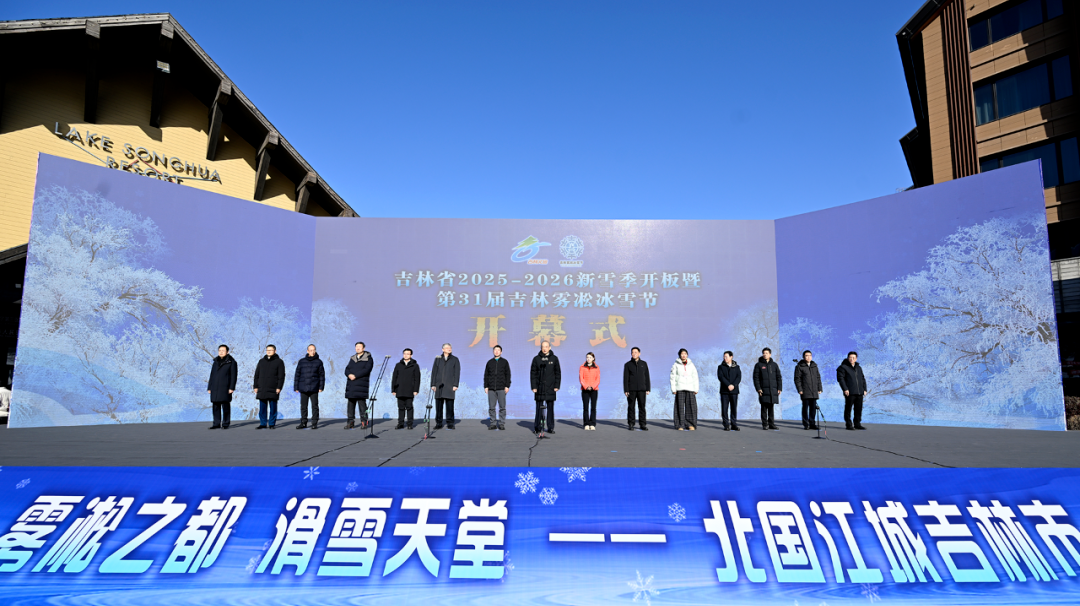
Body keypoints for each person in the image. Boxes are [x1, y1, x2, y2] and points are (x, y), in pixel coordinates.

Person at [530, 341, 561, 434]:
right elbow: (533, 374)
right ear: (541, 348)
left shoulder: (554, 359)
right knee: (539, 408)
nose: (544, 348)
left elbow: (558, 373)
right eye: (543, 347)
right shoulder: (536, 359)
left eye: (546, 346)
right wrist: (534, 386)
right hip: (539, 387)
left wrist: (557, 385)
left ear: (550, 347)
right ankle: (537, 427)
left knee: (550, 408)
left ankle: (550, 427)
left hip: (551, 387)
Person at [253, 344, 286, 429]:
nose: (269, 351)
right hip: (262, 388)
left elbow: (281, 376)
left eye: (271, 350)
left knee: (273, 407)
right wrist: (255, 386)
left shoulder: (279, 362)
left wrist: (279, 387)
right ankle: (263, 423)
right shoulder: (261, 361)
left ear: (275, 351)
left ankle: (271, 424)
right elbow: (256, 375)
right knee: (262, 408)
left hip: (273, 388)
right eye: (267, 350)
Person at [294, 344, 326, 430]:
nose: (312, 352)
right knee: (303, 406)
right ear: (307, 351)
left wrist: (321, 387)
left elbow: (322, 375)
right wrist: (296, 387)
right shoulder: (301, 361)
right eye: (311, 350)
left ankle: (314, 423)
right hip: (303, 387)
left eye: (314, 350)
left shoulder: (319, 362)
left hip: (314, 387)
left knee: (314, 406)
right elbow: (297, 374)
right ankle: (303, 422)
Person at [430, 343, 461, 430]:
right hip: (439, 386)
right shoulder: (438, 359)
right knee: (438, 406)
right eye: (447, 348)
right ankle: (439, 423)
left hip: (450, 386)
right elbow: (434, 372)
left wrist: (455, 384)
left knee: (450, 406)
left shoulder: (455, 359)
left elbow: (457, 373)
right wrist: (433, 384)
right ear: (443, 349)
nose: (449, 349)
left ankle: (450, 423)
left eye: (450, 347)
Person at [206, 344, 237, 429]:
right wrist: (209, 387)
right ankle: (216, 423)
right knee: (215, 406)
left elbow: (234, 376)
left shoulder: (231, 362)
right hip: (215, 387)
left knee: (225, 406)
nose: (221, 352)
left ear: (227, 352)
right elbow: (212, 375)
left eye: (223, 350)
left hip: (225, 387)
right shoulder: (215, 362)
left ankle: (225, 423)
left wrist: (231, 387)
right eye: (219, 350)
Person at [344, 341, 373, 430]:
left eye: (359, 347)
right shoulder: (352, 358)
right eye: (356, 347)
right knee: (350, 405)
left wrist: (355, 375)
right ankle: (350, 422)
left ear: (363, 348)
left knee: (362, 405)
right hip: (351, 385)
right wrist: (349, 374)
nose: (358, 348)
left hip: (361, 385)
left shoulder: (368, 358)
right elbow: (347, 369)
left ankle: (364, 422)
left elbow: (367, 370)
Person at [837, 351, 868, 430]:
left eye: (853, 357)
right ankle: (848, 424)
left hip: (859, 392)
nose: (852, 359)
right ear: (848, 358)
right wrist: (845, 389)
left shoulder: (858, 367)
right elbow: (841, 379)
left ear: (856, 358)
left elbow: (862, 378)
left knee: (858, 409)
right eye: (850, 357)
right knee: (848, 408)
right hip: (849, 392)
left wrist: (864, 389)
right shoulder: (843, 367)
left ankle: (857, 424)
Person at [669, 348, 699, 431]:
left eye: (685, 354)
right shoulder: (676, 365)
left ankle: (690, 424)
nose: (684, 355)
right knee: (679, 407)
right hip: (680, 388)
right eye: (682, 354)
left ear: (687, 355)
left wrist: (696, 388)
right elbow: (672, 377)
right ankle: (680, 425)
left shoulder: (691, 365)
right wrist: (673, 389)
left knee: (691, 407)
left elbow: (695, 377)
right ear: (679, 355)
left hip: (690, 388)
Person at [391, 348, 421, 430]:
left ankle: (410, 424)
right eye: (404, 353)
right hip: (399, 389)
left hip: (410, 390)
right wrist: (393, 389)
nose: (406, 355)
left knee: (409, 407)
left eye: (408, 354)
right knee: (400, 408)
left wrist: (416, 390)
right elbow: (394, 377)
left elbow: (417, 379)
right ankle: (400, 423)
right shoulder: (398, 365)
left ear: (411, 355)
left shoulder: (415, 365)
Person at [752, 347, 781, 430]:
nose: (765, 354)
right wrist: (758, 388)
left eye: (766, 353)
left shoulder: (774, 365)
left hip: (773, 389)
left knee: (771, 407)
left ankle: (771, 424)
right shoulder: (758, 365)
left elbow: (778, 377)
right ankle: (765, 424)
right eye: (763, 353)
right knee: (764, 408)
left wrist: (779, 388)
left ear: (770, 354)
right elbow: (756, 378)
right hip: (763, 390)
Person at [623, 347, 651, 431]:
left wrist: (648, 388)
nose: (634, 354)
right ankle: (631, 424)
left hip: (642, 389)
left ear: (639, 353)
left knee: (642, 407)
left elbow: (647, 376)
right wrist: (626, 390)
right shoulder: (628, 364)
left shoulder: (644, 364)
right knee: (631, 407)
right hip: (631, 389)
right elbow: (625, 378)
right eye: (632, 352)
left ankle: (643, 424)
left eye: (635, 352)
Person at [794, 350, 823, 430]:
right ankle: (806, 424)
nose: (808, 357)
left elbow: (818, 377)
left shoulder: (814, 366)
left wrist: (819, 388)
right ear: (803, 357)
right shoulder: (799, 366)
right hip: (805, 390)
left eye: (810, 355)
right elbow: (797, 379)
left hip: (814, 391)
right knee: (805, 408)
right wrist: (800, 389)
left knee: (813, 408)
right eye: (806, 355)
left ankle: (812, 423)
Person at [484, 345, 511, 430]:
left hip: (501, 388)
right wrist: (486, 386)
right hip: (491, 388)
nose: (496, 351)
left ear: (501, 352)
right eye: (495, 350)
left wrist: (507, 386)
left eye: (498, 350)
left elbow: (508, 375)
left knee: (502, 407)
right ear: (493, 351)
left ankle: (501, 423)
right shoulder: (489, 362)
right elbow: (486, 375)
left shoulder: (505, 362)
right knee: (492, 407)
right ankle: (493, 423)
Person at [717, 351, 741, 431]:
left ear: (731, 357)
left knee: (734, 408)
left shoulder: (737, 367)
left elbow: (739, 377)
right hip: (724, 391)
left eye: (726, 356)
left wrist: (733, 385)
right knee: (724, 409)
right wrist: (728, 385)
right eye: (724, 357)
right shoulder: (721, 367)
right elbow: (721, 377)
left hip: (734, 391)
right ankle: (726, 424)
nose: (725, 358)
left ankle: (734, 424)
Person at [579, 352, 600, 430]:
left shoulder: (596, 367)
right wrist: (586, 386)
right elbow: (581, 378)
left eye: (590, 357)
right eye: (587, 357)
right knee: (585, 407)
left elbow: (598, 379)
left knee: (593, 407)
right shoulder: (582, 367)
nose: (588, 359)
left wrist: (592, 386)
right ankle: (586, 423)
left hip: (594, 390)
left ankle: (592, 423)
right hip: (585, 390)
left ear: (593, 358)